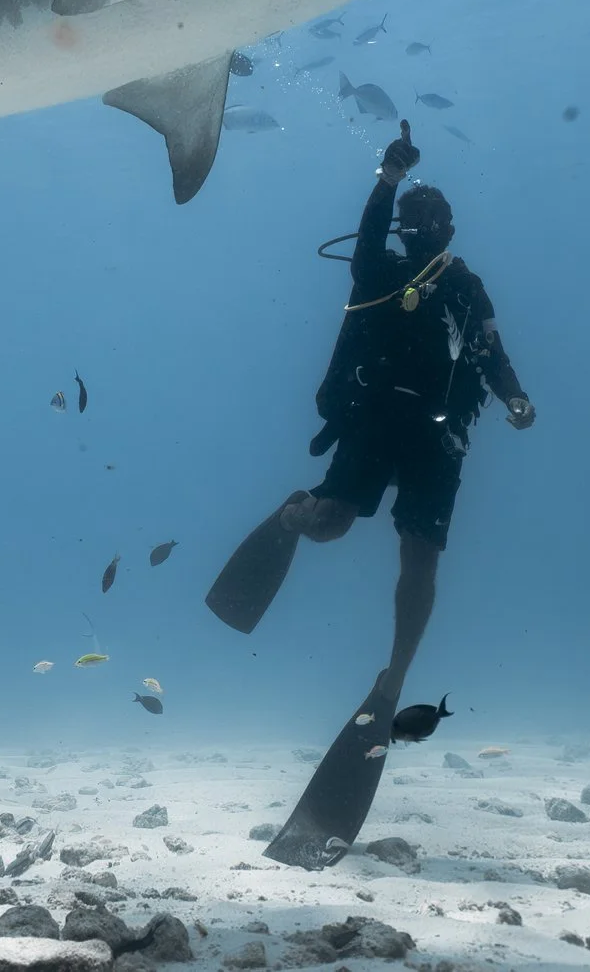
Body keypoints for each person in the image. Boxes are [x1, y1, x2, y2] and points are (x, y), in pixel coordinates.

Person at [211, 120, 533, 705]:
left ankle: (395, 680)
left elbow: (491, 353)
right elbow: (366, 240)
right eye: (415, 218)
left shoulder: (467, 285)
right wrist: (388, 178)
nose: (425, 226)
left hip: (441, 438)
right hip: (376, 417)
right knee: (330, 526)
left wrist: (515, 396)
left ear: (451, 228)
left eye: (434, 217)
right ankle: (295, 514)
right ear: (405, 228)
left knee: (422, 559)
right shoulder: (380, 272)